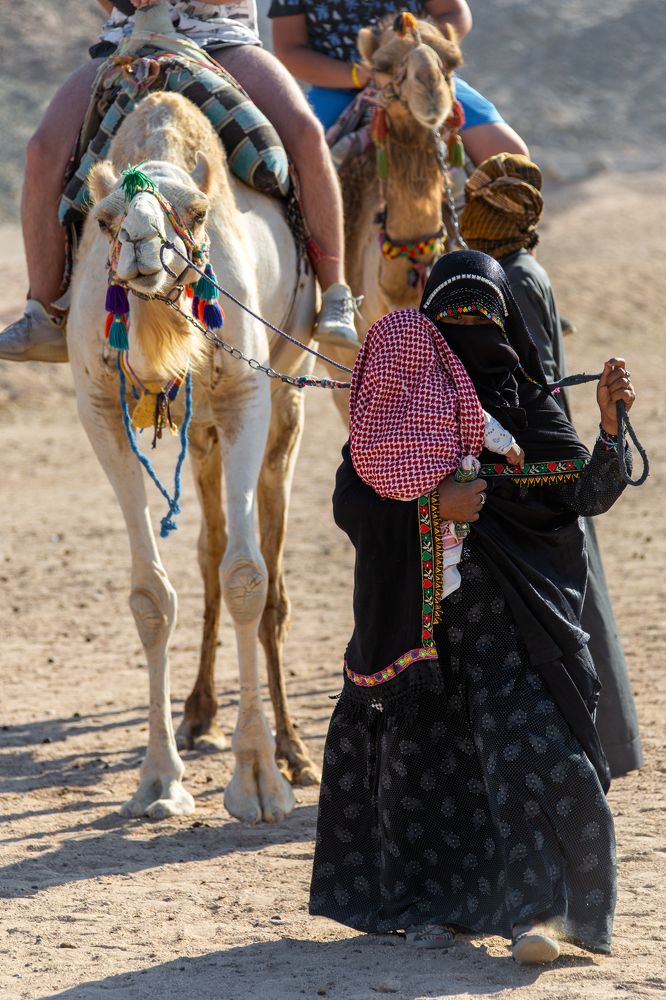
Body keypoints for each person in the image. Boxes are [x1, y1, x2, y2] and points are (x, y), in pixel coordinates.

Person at [310, 249, 636, 964]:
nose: (469, 335)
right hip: (421, 636)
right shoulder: (396, 409)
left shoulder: (531, 405)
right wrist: (434, 505)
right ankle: (435, 913)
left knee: (538, 759)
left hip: (516, 631)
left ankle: (544, 918)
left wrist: (608, 430)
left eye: (482, 318)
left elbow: (580, 493)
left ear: (507, 325)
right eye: (450, 321)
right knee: (424, 774)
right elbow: (352, 500)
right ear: (426, 328)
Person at [0, 0, 359, 364]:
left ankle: (334, 294)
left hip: (222, 42)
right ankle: (42, 313)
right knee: (42, 151)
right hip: (127, 43)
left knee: (306, 134)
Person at [459, 153, 643, 777]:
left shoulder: (509, 279)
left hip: (539, 461)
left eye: (473, 203)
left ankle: (602, 747)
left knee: (569, 606)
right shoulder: (517, 269)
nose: (461, 213)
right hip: (544, 453)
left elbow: (528, 381)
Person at [268, 0, 529, 165]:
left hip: (423, 78)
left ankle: (513, 253)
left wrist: (424, 51)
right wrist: (362, 75)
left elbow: (453, 12)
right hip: (341, 86)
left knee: (508, 154)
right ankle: (315, 252)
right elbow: (290, 49)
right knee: (290, 166)